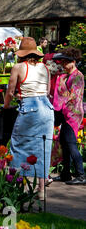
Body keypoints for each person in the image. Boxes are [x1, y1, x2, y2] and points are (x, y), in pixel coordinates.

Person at [4, 37, 54, 200]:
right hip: (46, 108)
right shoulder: (45, 68)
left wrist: (6, 107)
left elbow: (10, 92)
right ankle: (41, 190)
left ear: (21, 54)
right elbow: (46, 91)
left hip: (30, 108)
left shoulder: (18, 67)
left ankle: (19, 185)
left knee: (18, 144)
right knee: (43, 147)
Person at [51, 48, 85, 185]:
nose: (64, 65)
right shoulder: (65, 76)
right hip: (66, 113)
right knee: (65, 144)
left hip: (73, 114)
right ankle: (66, 174)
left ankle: (81, 175)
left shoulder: (78, 76)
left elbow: (74, 97)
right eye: (63, 62)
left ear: (74, 61)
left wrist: (61, 110)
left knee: (71, 144)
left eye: (66, 62)